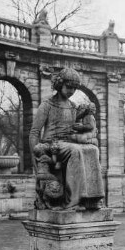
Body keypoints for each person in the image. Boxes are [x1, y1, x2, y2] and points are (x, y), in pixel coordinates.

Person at [29, 67, 104, 211]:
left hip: (68, 143)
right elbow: (34, 133)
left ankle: (92, 199)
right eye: (69, 87)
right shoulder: (47, 105)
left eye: (74, 88)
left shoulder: (73, 106)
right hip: (51, 145)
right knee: (75, 151)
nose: (71, 91)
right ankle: (72, 201)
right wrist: (36, 159)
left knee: (92, 150)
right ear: (59, 84)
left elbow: (78, 126)